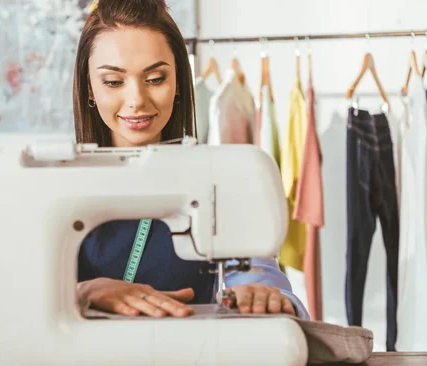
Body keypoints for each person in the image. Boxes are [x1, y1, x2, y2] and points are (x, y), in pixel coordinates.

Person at [73, 0, 309, 320]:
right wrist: (81, 292)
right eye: (113, 82)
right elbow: (10, 302)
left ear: (179, 83)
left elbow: (261, 275)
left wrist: (262, 293)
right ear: (90, 87)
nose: (137, 100)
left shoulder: (217, 181)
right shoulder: (53, 186)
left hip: (190, 364)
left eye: (155, 78)